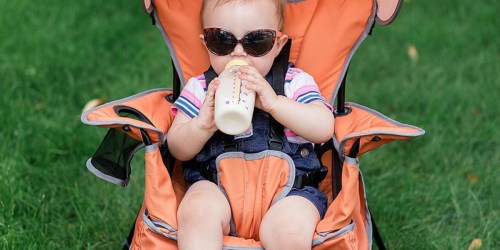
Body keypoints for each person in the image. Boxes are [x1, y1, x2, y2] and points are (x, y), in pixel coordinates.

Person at [166, 0, 335, 249]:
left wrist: (275, 104)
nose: (238, 53)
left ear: (278, 45)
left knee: (290, 230)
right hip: (218, 188)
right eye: (222, 40)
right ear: (206, 44)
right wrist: (202, 126)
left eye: (256, 42)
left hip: (289, 192)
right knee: (195, 212)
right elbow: (177, 148)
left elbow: (323, 128)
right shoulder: (201, 88)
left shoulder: (294, 82)